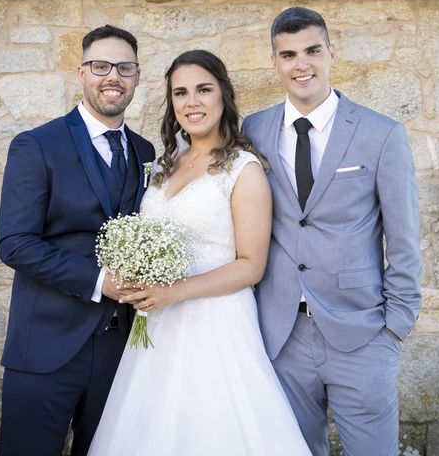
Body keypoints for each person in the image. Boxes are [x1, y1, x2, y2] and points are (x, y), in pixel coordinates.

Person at [87, 50, 312, 456]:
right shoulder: (162, 166)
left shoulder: (244, 169)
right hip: (156, 326)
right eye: (181, 93)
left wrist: (176, 291)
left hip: (217, 326)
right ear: (172, 103)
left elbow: (251, 265)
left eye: (203, 90)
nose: (192, 102)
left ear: (222, 96)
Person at [242, 7, 422, 456]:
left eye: (312, 51)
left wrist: (395, 327)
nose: (301, 64)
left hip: (361, 333)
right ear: (275, 62)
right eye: (289, 55)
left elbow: (404, 239)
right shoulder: (254, 130)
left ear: (331, 53)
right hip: (281, 335)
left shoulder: (381, 135)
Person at [0, 25, 155, 456]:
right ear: (81, 72)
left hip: (119, 348)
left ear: (138, 76)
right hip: (45, 346)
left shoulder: (146, 153)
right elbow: (14, 242)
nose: (113, 77)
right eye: (100, 66)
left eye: (125, 67)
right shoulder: (37, 145)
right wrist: (99, 280)